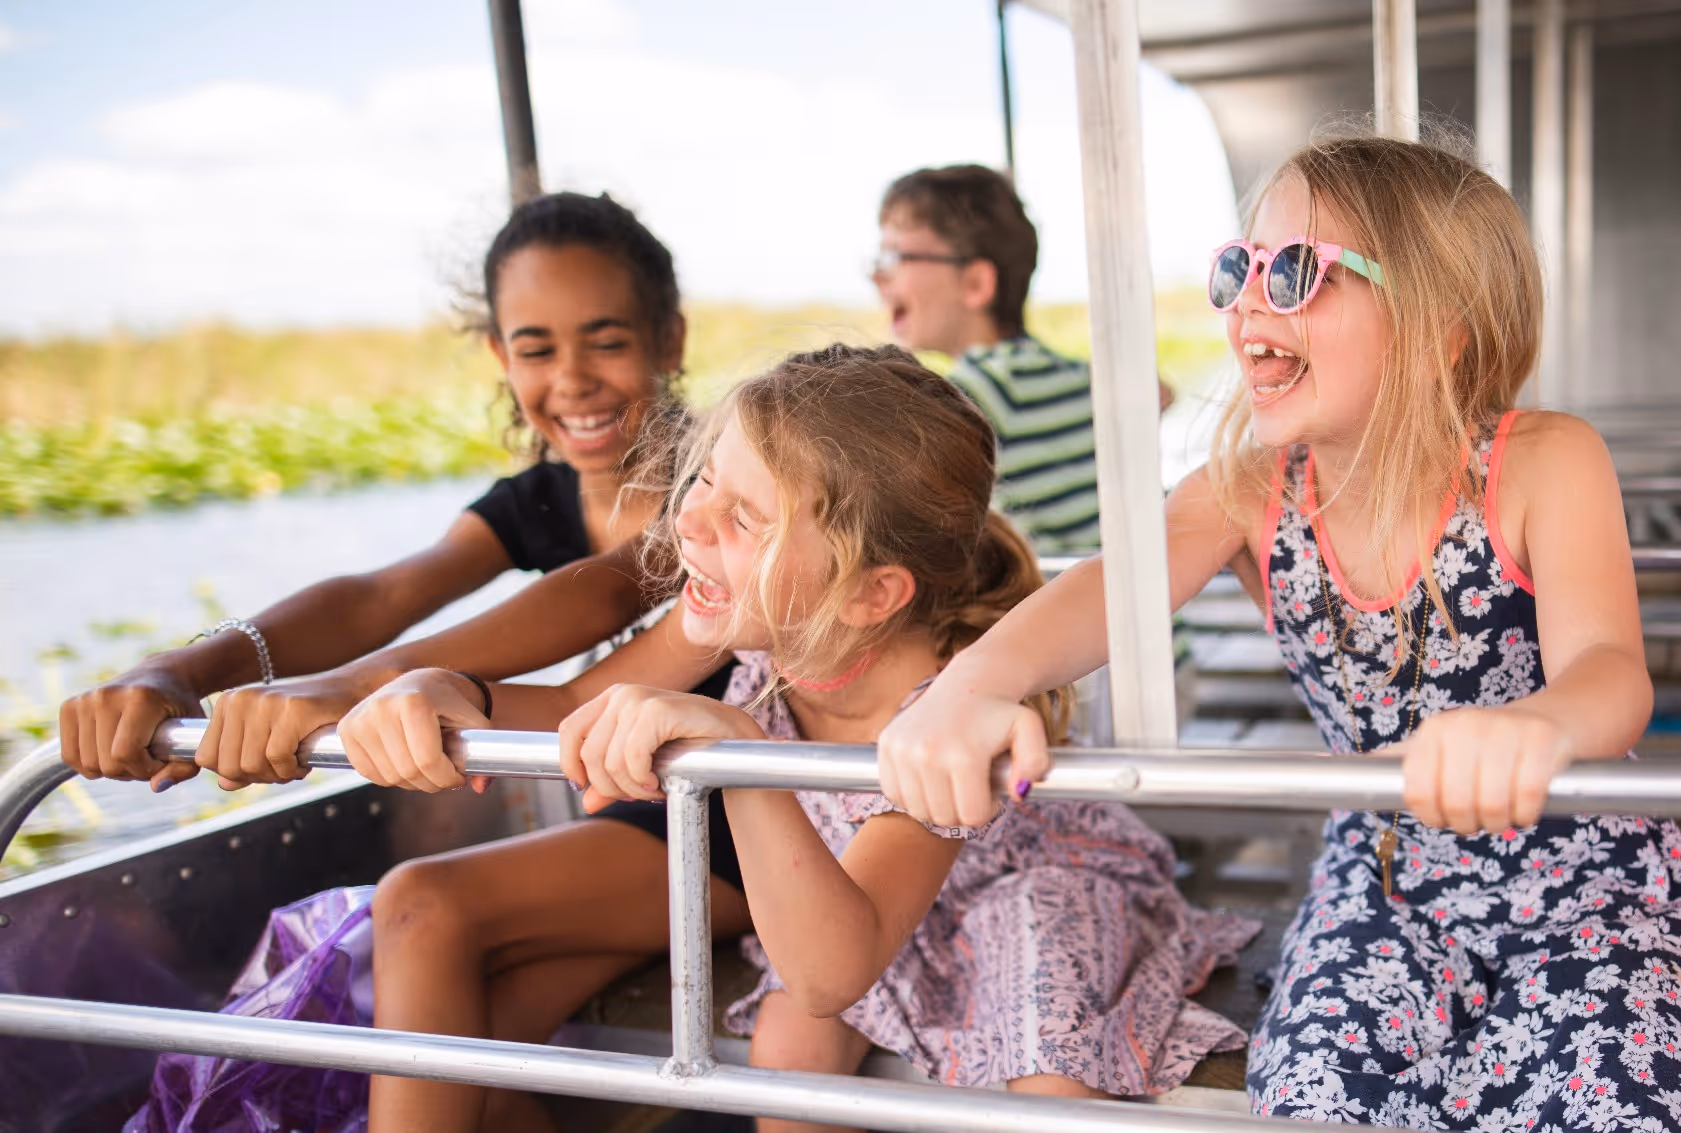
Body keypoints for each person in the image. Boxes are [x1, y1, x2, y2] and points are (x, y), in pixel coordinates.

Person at [871, 131, 1672, 1130]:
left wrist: (1541, 725)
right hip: (1388, 887)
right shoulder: (1249, 488)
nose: (1248, 302)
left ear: (1440, 327)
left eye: (1294, 271)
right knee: (1314, 1091)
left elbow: (1608, 669)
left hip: (1583, 887)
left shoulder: (1543, 461)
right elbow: (1110, 586)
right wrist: (968, 684)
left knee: (1603, 1093)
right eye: (1235, 270)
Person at [541, 344, 1257, 1133]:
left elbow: (831, 971)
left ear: (870, 592)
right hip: (863, 902)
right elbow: (574, 703)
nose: (689, 517)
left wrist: (739, 756)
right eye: (706, 477)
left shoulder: (943, 715)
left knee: (1051, 1076)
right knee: (786, 1060)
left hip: (1025, 892)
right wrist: (435, 682)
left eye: (744, 515)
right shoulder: (761, 631)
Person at [57, 190, 706, 792]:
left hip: (747, 796)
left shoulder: (725, 483)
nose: (572, 379)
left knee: (420, 906)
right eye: (535, 351)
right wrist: (183, 668)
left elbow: (608, 587)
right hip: (641, 795)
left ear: (668, 340)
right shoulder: (535, 498)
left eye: (607, 342)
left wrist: (350, 685)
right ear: (500, 356)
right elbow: (380, 597)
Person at [870, 164, 1171, 554]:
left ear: (976, 284)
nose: (877, 277)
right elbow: (1162, 393)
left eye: (895, 257)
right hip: (1153, 609)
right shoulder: (1085, 378)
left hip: (1071, 609)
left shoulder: (973, 396)